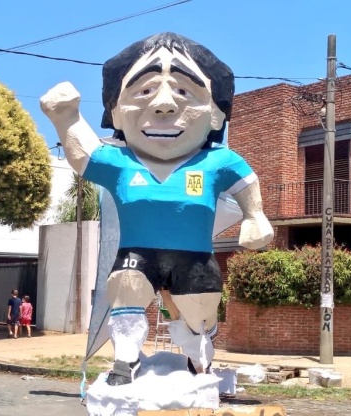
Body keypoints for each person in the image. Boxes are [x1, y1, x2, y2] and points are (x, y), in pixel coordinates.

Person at [40, 32, 274, 385]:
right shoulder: (119, 161)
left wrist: (255, 215)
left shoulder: (218, 161)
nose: (164, 104)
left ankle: (199, 361)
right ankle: (126, 360)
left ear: (215, 114)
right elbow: (83, 154)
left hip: (194, 257)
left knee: (198, 312)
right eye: (144, 90)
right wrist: (66, 118)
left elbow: (247, 182)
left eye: (184, 91)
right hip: (137, 252)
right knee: (126, 288)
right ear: (116, 112)